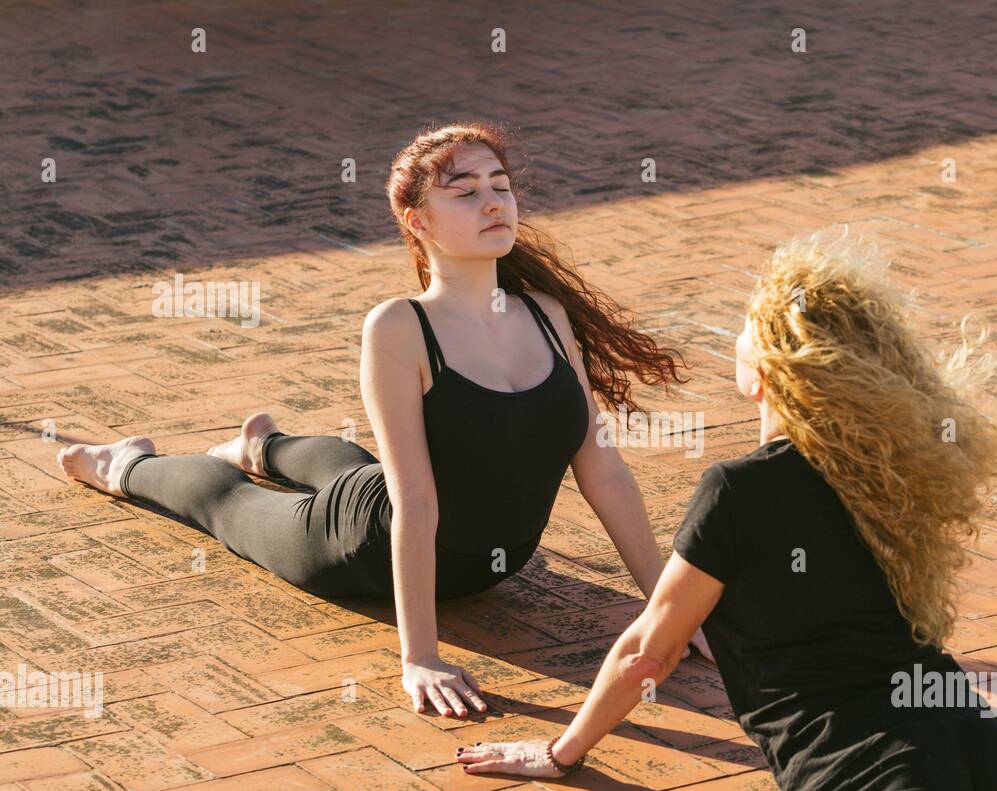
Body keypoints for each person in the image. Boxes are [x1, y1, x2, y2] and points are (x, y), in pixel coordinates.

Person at [456, 227, 997, 791]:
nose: (733, 336)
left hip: (862, 779)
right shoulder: (895, 466)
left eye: (745, 325)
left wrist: (560, 751)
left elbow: (652, 650)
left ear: (769, 368)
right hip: (970, 740)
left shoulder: (739, 491)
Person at [55, 120, 712, 724]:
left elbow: (601, 467)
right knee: (222, 500)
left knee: (354, 463)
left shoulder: (544, 312)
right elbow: (413, 502)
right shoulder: (400, 327)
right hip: (356, 544)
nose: (493, 203)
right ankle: (125, 464)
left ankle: (265, 444)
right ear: (416, 219)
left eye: (501, 187)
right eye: (464, 192)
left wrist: (668, 612)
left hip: (480, 563)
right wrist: (419, 656)